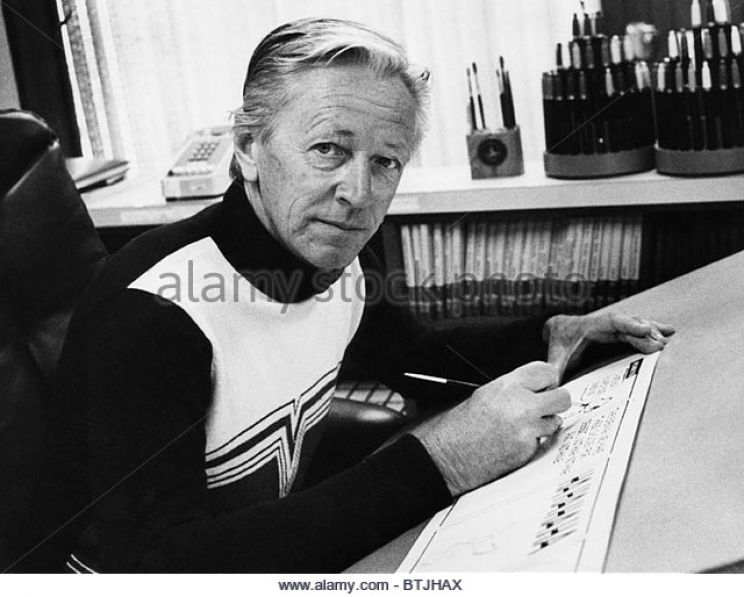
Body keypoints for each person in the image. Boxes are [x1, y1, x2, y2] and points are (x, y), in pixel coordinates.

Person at [41, 17, 674, 573]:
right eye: (328, 150)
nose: (358, 193)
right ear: (249, 149)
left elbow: (413, 357)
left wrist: (553, 334)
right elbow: (157, 564)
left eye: (385, 162)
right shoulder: (155, 311)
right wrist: (442, 462)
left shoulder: (331, 254)